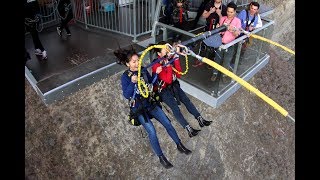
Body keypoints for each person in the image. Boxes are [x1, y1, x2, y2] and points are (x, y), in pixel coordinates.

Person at [114, 47, 192, 169]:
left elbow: (151, 84)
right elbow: (127, 95)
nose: (137, 63)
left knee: (167, 122)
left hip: (150, 103)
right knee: (152, 132)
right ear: (127, 64)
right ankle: (161, 157)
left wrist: (156, 74)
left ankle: (179, 144)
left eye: (138, 60)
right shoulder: (126, 77)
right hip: (139, 108)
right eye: (134, 62)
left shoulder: (143, 71)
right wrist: (132, 82)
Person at [151, 41, 212, 138]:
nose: (168, 52)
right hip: (163, 90)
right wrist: (168, 67)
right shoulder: (156, 64)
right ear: (159, 54)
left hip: (173, 85)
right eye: (165, 50)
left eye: (169, 49)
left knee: (186, 100)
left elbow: (178, 74)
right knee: (175, 108)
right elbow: (168, 80)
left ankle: (200, 119)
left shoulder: (169, 59)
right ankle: (188, 129)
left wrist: (176, 59)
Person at [211, 1, 241, 82]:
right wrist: (217, 28)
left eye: (231, 12)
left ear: (235, 12)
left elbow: (237, 33)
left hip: (230, 44)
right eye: (228, 11)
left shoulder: (237, 21)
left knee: (227, 60)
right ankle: (215, 73)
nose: (229, 13)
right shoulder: (223, 18)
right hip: (220, 43)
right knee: (217, 58)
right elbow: (219, 32)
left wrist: (232, 29)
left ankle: (224, 75)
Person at [193, 0, 227, 68]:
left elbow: (224, 21)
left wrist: (219, 14)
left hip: (217, 30)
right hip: (208, 27)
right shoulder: (209, 4)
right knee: (203, 44)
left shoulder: (224, 8)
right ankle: (200, 59)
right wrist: (210, 12)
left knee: (213, 47)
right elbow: (203, 16)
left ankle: (211, 61)